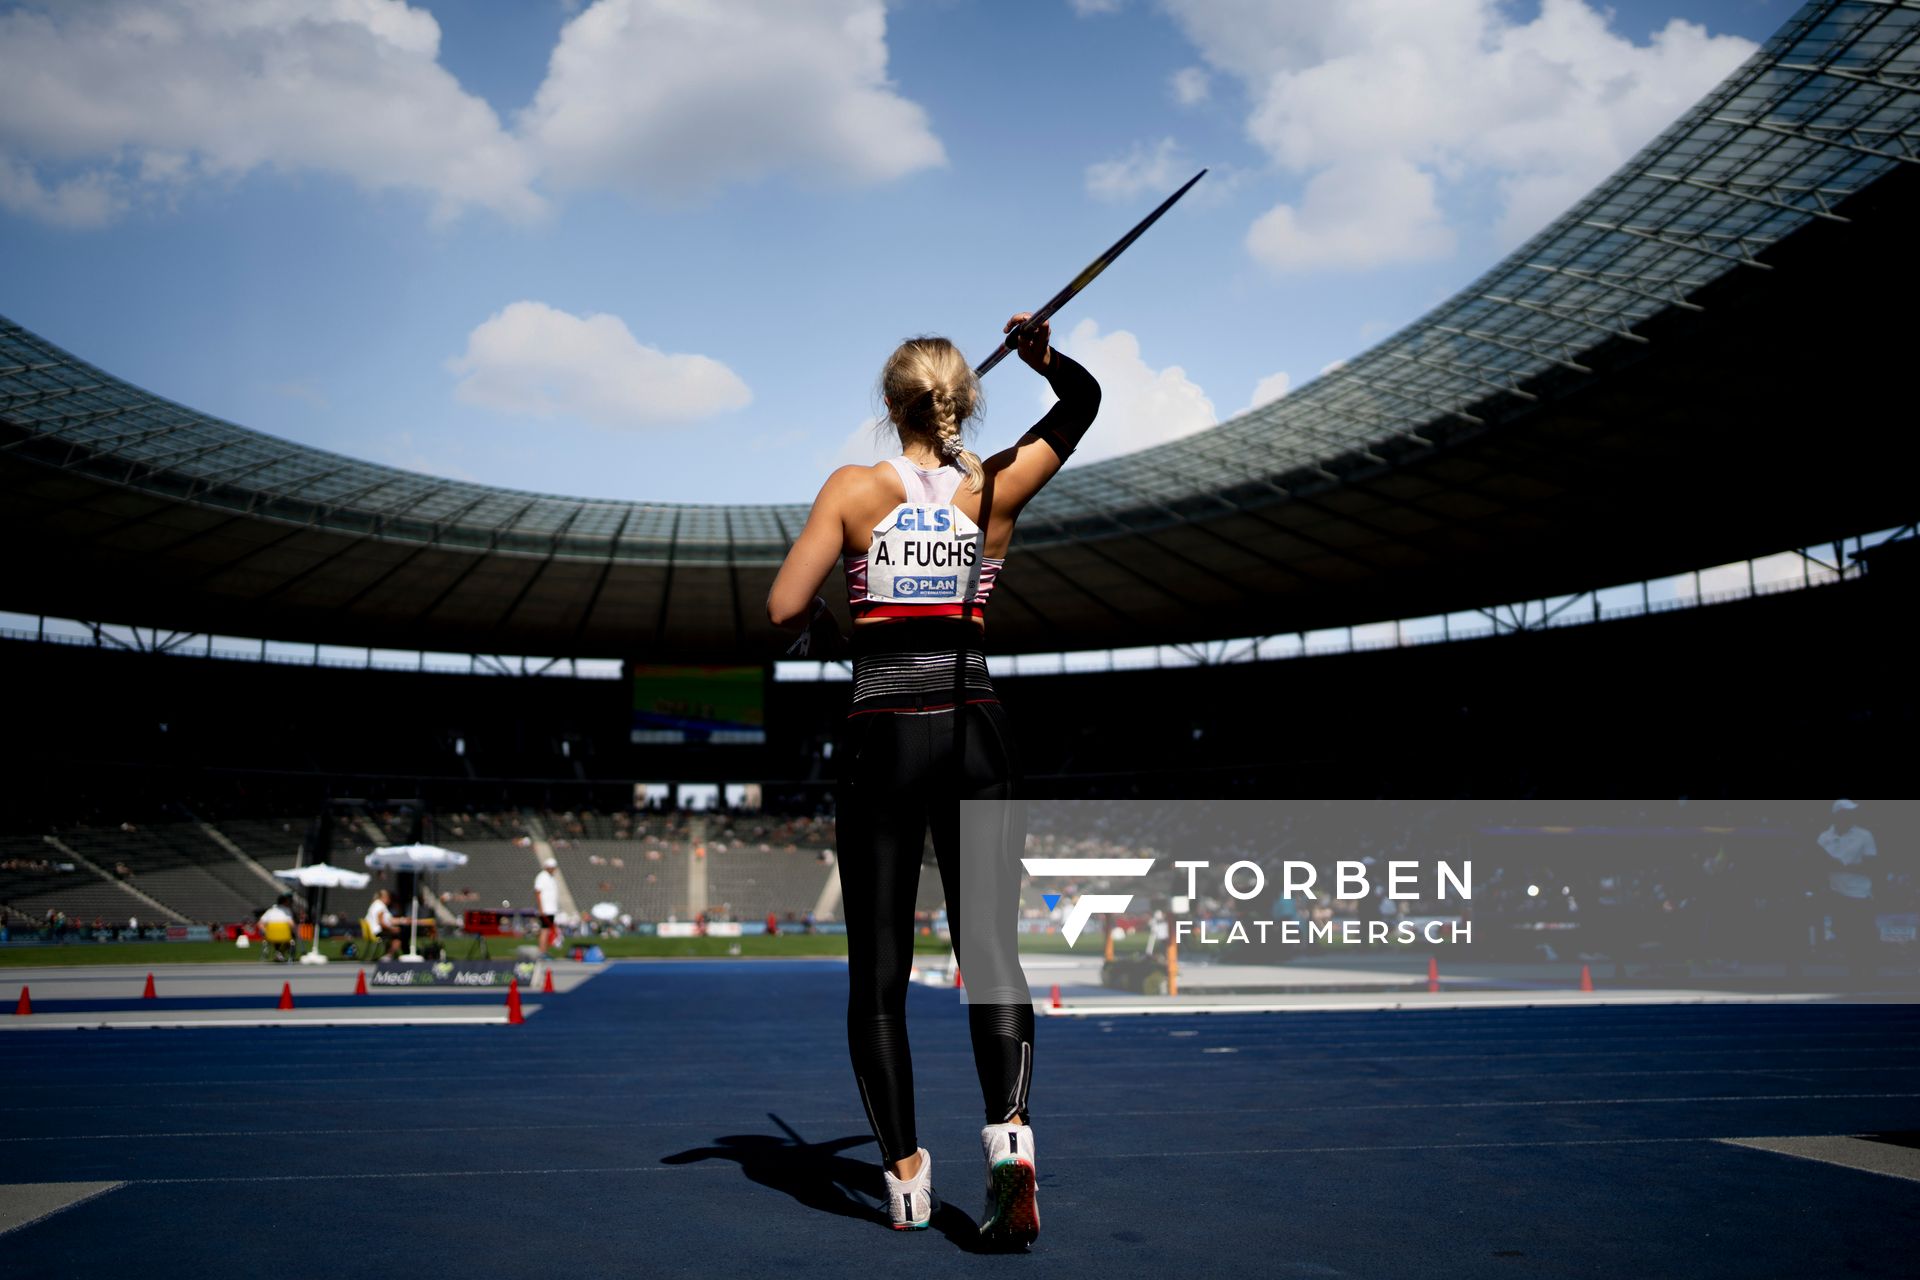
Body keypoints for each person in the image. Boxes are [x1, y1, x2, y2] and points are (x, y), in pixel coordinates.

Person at [768, 313, 1099, 1245]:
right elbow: (1084, 404)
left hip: (883, 730)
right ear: (966, 399)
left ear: (890, 405)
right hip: (978, 728)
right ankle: (1011, 1140)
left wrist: (838, 623)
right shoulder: (996, 485)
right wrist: (1046, 359)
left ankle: (907, 1176)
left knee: (879, 974)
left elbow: (784, 607)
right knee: (990, 950)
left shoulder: (853, 489)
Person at [1817, 799, 1879, 972]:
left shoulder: (1864, 835)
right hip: (1835, 892)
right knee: (1843, 933)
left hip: (1860, 893)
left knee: (1863, 935)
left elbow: (1872, 865)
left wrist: (1843, 866)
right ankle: (1855, 970)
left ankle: (1867, 970)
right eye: (1845, 813)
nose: (1850, 816)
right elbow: (1819, 864)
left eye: (1851, 812)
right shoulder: (1824, 837)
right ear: (1836, 815)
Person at [364, 888, 403, 960]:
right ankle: (389, 954)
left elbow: (388, 920)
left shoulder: (375, 904)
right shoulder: (380, 906)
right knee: (398, 935)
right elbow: (381, 922)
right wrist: (392, 929)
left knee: (393, 933)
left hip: (372, 932)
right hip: (376, 932)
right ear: (385, 897)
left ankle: (389, 953)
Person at [259, 894, 297, 963]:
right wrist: (295, 931)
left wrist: (265, 932)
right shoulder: (287, 910)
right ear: (285, 902)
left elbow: (260, 924)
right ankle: (280, 953)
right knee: (290, 940)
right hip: (284, 935)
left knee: (276, 939)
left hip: (270, 936)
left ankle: (278, 953)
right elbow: (291, 924)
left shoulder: (270, 911)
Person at [534, 858, 560, 951]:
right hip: (545, 909)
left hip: (551, 909)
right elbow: (537, 892)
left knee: (547, 930)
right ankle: (542, 950)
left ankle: (544, 950)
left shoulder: (551, 877)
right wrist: (541, 909)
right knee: (544, 930)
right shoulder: (542, 877)